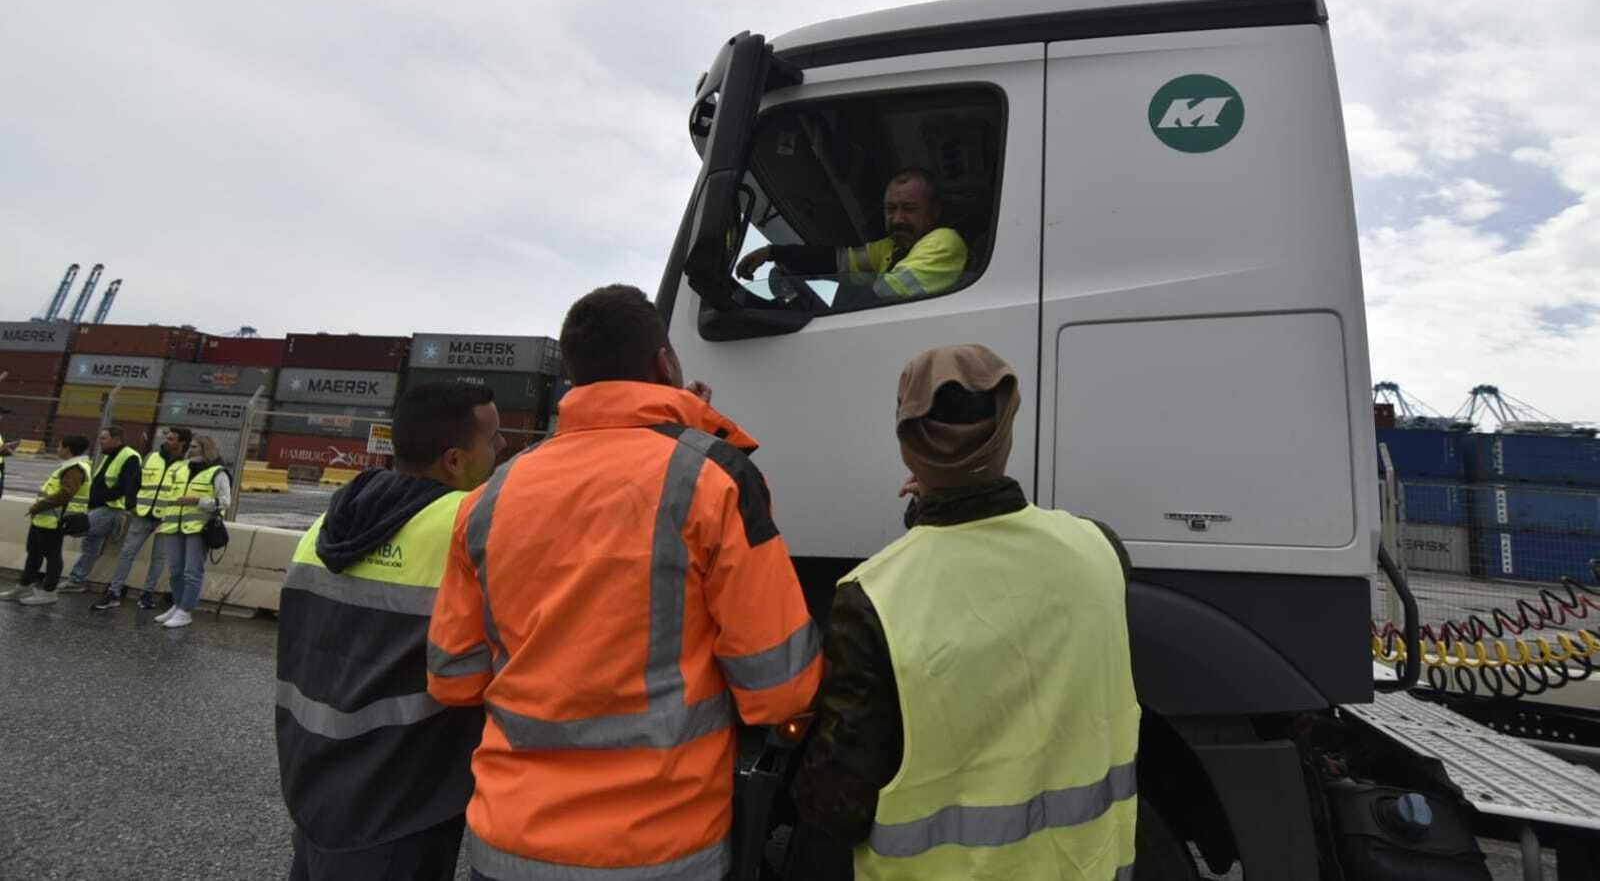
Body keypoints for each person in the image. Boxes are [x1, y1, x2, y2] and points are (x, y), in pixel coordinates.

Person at [427, 284, 822, 880]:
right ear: (665, 363)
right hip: (661, 850)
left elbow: (452, 678)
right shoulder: (712, 481)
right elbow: (780, 689)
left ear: (573, 377)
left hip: (509, 844)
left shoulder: (491, 496)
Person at [793, 344, 1139, 881]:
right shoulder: (1101, 549)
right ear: (1007, 427)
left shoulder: (871, 598)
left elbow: (839, 807)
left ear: (910, 448)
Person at [277, 382, 504, 881]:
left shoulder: (328, 524)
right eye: (492, 439)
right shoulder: (466, 527)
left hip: (313, 780)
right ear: (454, 460)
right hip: (402, 803)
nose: (502, 449)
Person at [735, 168, 968, 302]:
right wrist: (775, 252)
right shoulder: (891, 248)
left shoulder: (944, 241)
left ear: (935, 211)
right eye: (890, 209)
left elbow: (880, 299)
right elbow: (838, 262)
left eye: (909, 209)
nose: (898, 219)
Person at [92, 426, 191, 611]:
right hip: (142, 514)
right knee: (127, 554)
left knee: (159, 559)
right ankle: (113, 592)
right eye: (167, 438)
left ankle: (147, 594)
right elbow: (134, 482)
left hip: (167, 519)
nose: (167, 441)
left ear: (182, 443)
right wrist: (131, 505)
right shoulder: (151, 457)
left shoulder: (188, 465)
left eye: (171, 439)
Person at [0, 436, 92, 606]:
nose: (57, 449)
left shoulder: (75, 469)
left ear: (67, 449)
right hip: (43, 520)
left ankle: (49, 592)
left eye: (59, 445)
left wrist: (38, 507)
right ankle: (24, 586)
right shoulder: (68, 466)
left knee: (52, 557)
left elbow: (65, 494)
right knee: (33, 554)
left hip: (54, 521)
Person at [152, 434, 231, 629]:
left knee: (192, 572)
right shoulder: (180, 468)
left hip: (197, 528)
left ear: (206, 449)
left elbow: (225, 502)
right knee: (175, 570)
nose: (190, 450)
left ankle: (185, 611)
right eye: (191, 447)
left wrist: (198, 501)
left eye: (195, 447)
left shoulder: (217, 473)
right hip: (172, 525)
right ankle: (178, 605)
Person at [58, 425, 143, 593]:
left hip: (110, 509)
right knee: (91, 547)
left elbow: (126, 485)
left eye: (104, 438)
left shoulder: (129, 456)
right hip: (99, 507)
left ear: (117, 440)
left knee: (71, 529)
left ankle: (72, 579)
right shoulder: (111, 455)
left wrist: (103, 497)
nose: (99, 442)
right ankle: (77, 581)